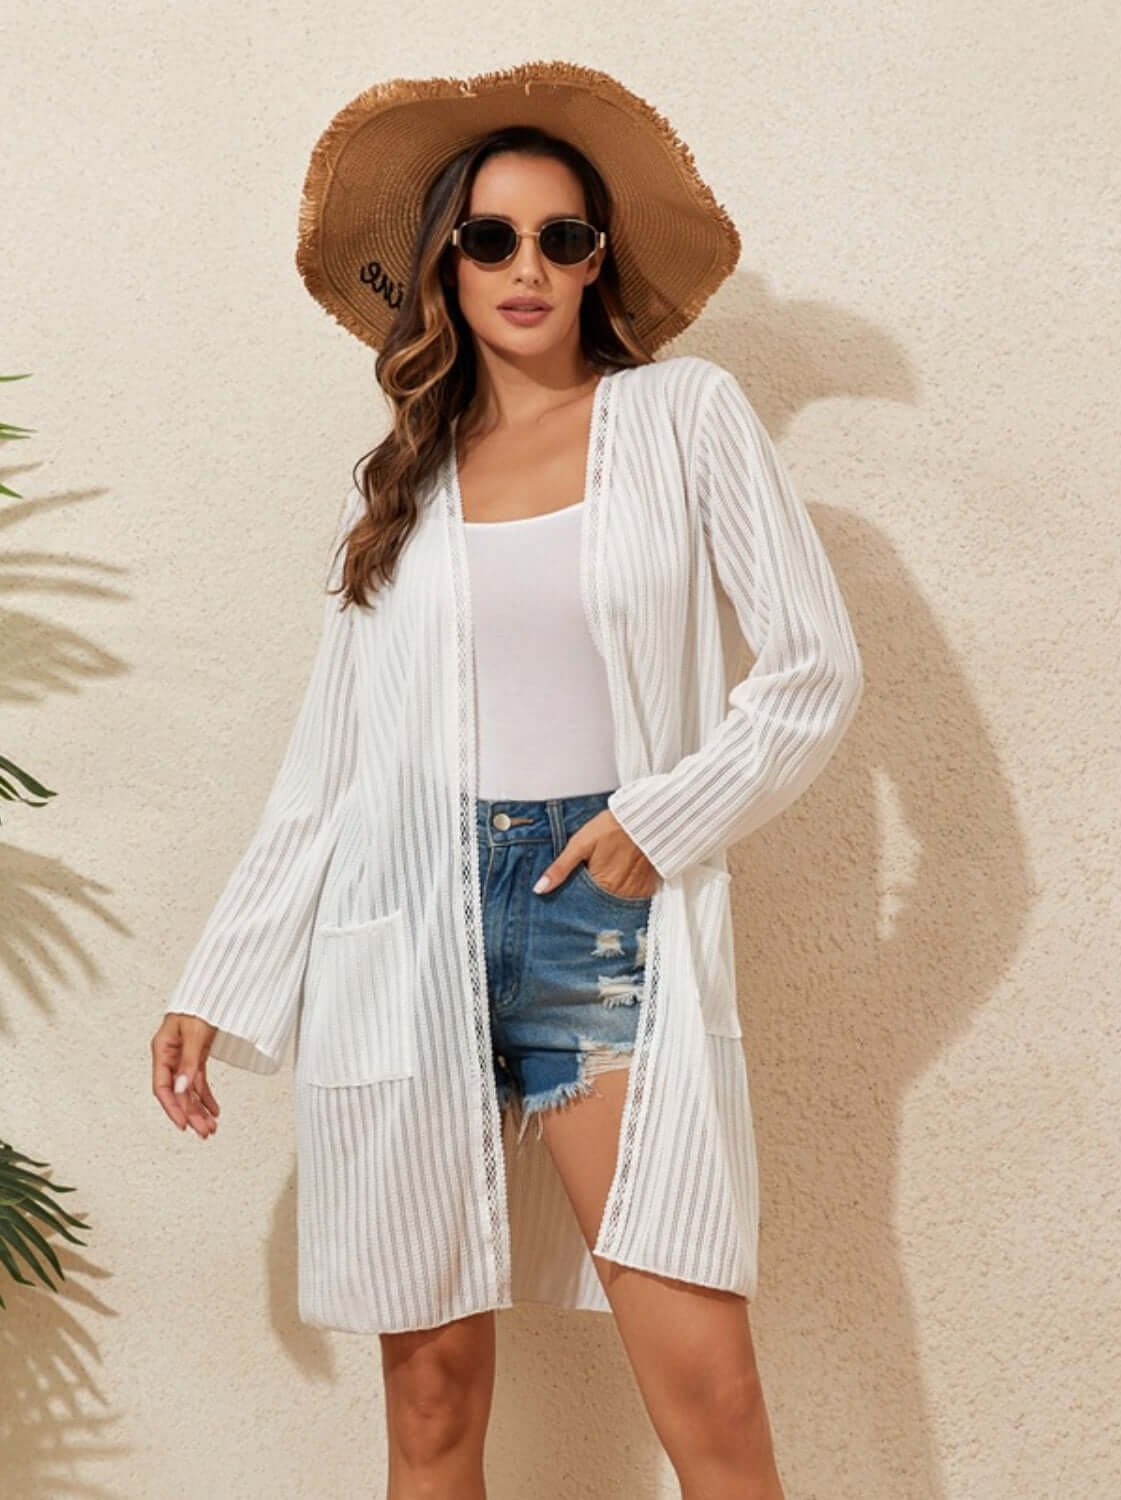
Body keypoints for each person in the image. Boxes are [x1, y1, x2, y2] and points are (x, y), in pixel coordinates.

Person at [151, 60, 864, 1500]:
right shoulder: (405, 487)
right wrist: (220, 978)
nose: (525, 266)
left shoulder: (684, 418)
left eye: (559, 237)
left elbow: (809, 669)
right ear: (444, 270)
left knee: (708, 1393)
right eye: (489, 238)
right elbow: (330, 766)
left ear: (599, 262)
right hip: (408, 921)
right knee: (427, 1409)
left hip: (599, 910)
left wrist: (654, 825)